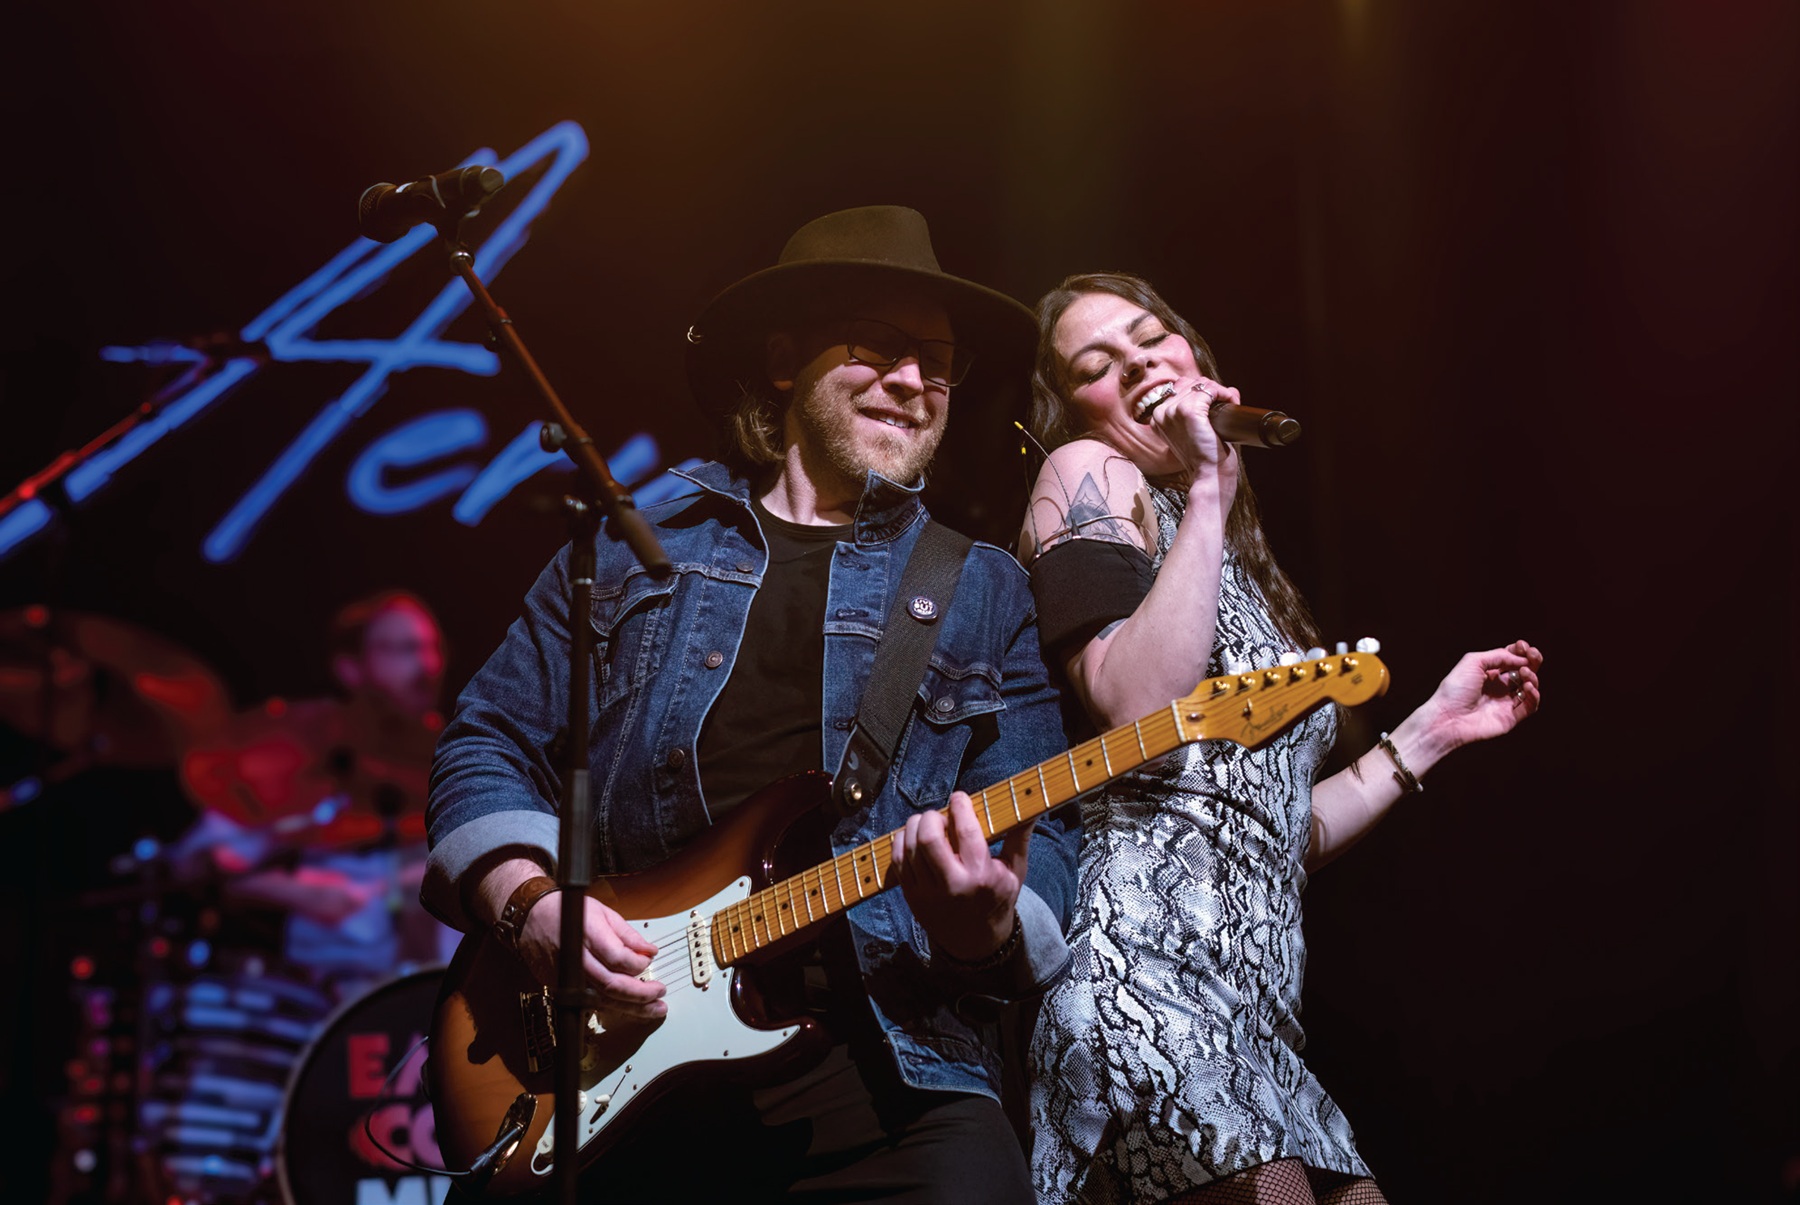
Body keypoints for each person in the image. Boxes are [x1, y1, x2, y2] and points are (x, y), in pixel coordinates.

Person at [423, 206, 1079, 1203]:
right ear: (783, 361)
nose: (915, 380)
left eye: (940, 361)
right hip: (618, 1059)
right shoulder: (631, 549)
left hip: (892, 1069)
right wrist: (529, 902)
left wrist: (985, 923)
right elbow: (488, 737)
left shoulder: (983, 587)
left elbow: (1047, 833)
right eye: (880, 345)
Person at [1017, 273, 1543, 1205]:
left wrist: (1431, 731)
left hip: (1254, 1010)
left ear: (1192, 350)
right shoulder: (1088, 473)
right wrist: (1207, 489)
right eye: (1097, 364)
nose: (1136, 362)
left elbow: (1270, 826)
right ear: (1075, 409)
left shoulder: (1222, 553)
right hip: (1142, 982)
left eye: (1150, 336)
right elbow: (1137, 709)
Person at [176, 589, 455, 986]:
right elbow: (200, 860)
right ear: (350, 667)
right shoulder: (305, 752)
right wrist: (303, 892)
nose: (427, 665)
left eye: (433, 648)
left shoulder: (458, 757)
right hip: (326, 992)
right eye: (403, 649)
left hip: (442, 994)